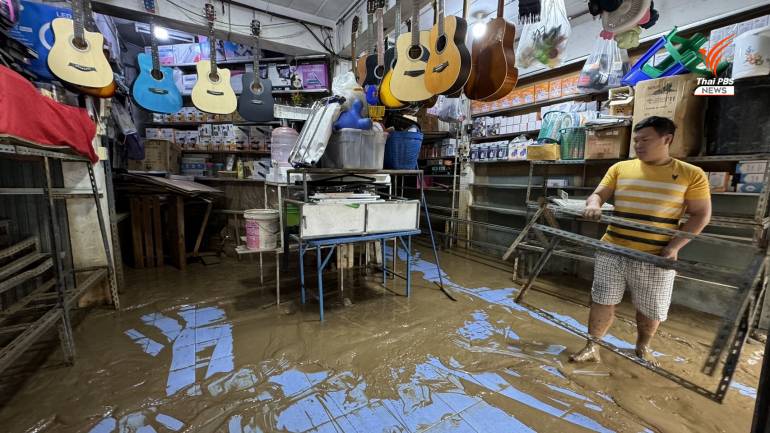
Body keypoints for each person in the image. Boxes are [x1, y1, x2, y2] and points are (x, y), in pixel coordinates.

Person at [569, 116, 712, 364]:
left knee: (650, 308)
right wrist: (593, 204)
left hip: (656, 255)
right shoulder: (620, 168)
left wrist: (673, 247)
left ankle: (642, 347)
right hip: (612, 248)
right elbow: (598, 194)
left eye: (645, 139)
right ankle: (592, 346)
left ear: (666, 139)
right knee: (602, 299)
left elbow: (701, 215)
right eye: (636, 140)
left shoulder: (691, 174)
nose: (638, 145)